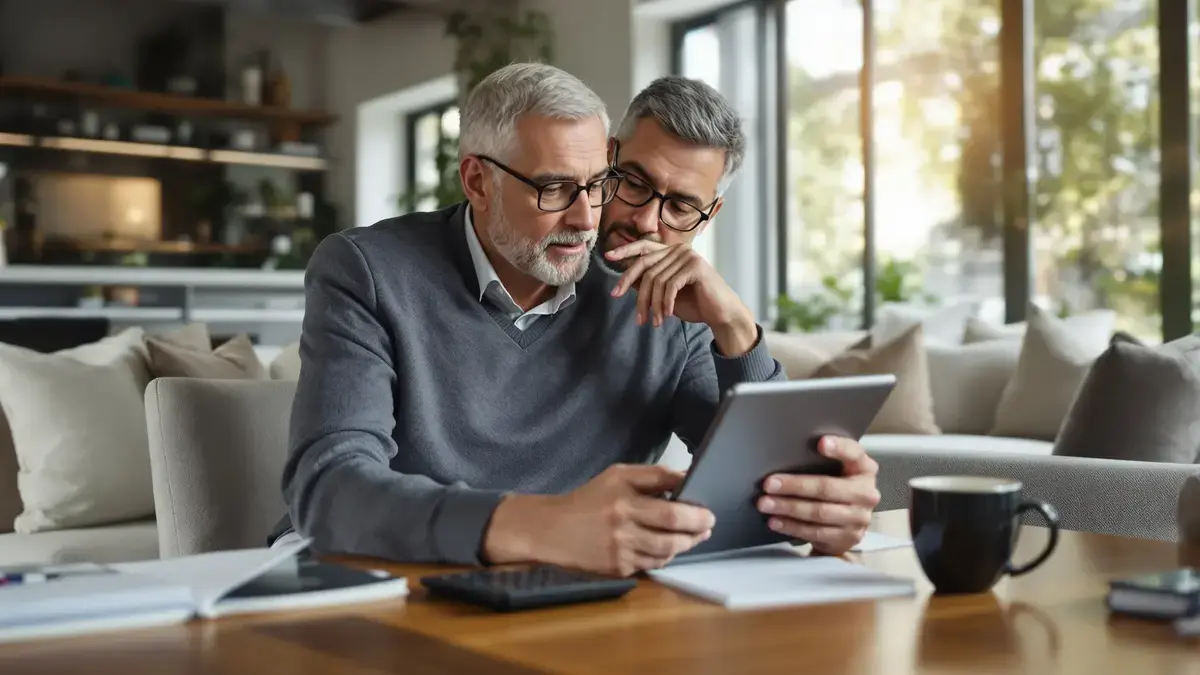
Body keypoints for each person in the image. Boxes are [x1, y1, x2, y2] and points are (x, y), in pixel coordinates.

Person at [271, 63, 879, 576]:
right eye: (628, 183)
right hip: (385, 581)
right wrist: (539, 525)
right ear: (478, 182)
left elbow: (761, 484)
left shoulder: (669, 301)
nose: (595, 218)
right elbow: (329, 491)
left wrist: (818, 499)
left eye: (596, 186)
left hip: (562, 597)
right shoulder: (367, 269)